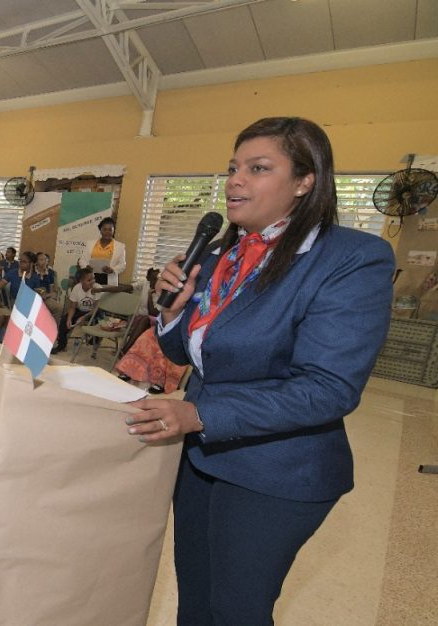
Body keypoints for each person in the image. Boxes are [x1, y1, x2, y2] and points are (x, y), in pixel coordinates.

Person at [127, 117, 394, 624]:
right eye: (233, 168)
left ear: (304, 181)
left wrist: (199, 415)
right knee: (197, 597)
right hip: (204, 458)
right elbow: (190, 354)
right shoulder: (229, 254)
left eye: (258, 168)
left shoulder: (351, 258)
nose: (235, 180)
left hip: (278, 468)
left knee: (237, 609)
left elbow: (328, 388)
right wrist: (173, 312)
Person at [79, 217, 126, 286]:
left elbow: (122, 265)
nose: (107, 232)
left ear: (113, 231)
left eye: (110, 230)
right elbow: (82, 260)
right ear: (100, 230)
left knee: (105, 296)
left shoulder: (120, 246)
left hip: (109, 279)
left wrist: (112, 270)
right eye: (104, 229)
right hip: (90, 277)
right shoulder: (90, 244)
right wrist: (86, 267)